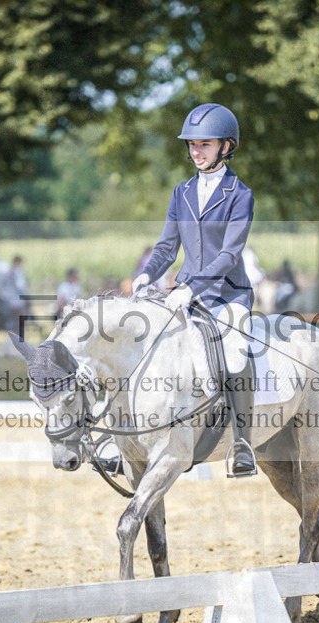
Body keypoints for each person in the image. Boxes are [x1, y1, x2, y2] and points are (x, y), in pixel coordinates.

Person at [131, 102, 257, 478]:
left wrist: (191, 287)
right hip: (183, 291)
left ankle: (243, 443)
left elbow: (228, 254)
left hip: (228, 294)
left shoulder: (240, 195)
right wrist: (146, 274)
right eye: (191, 144)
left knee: (234, 354)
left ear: (226, 146)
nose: (196, 151)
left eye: (205, 144)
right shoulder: (181, 192)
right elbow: (168, 246)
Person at [3, 255, 30, 333]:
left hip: (9, 301)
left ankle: (11, 339)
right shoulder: (18, 272)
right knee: (19, 322)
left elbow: (0, 286)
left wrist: (4, 296)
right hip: (18, 301)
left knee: (12, 321)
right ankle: (15, 340)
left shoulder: (7, 272)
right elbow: (20, 286)